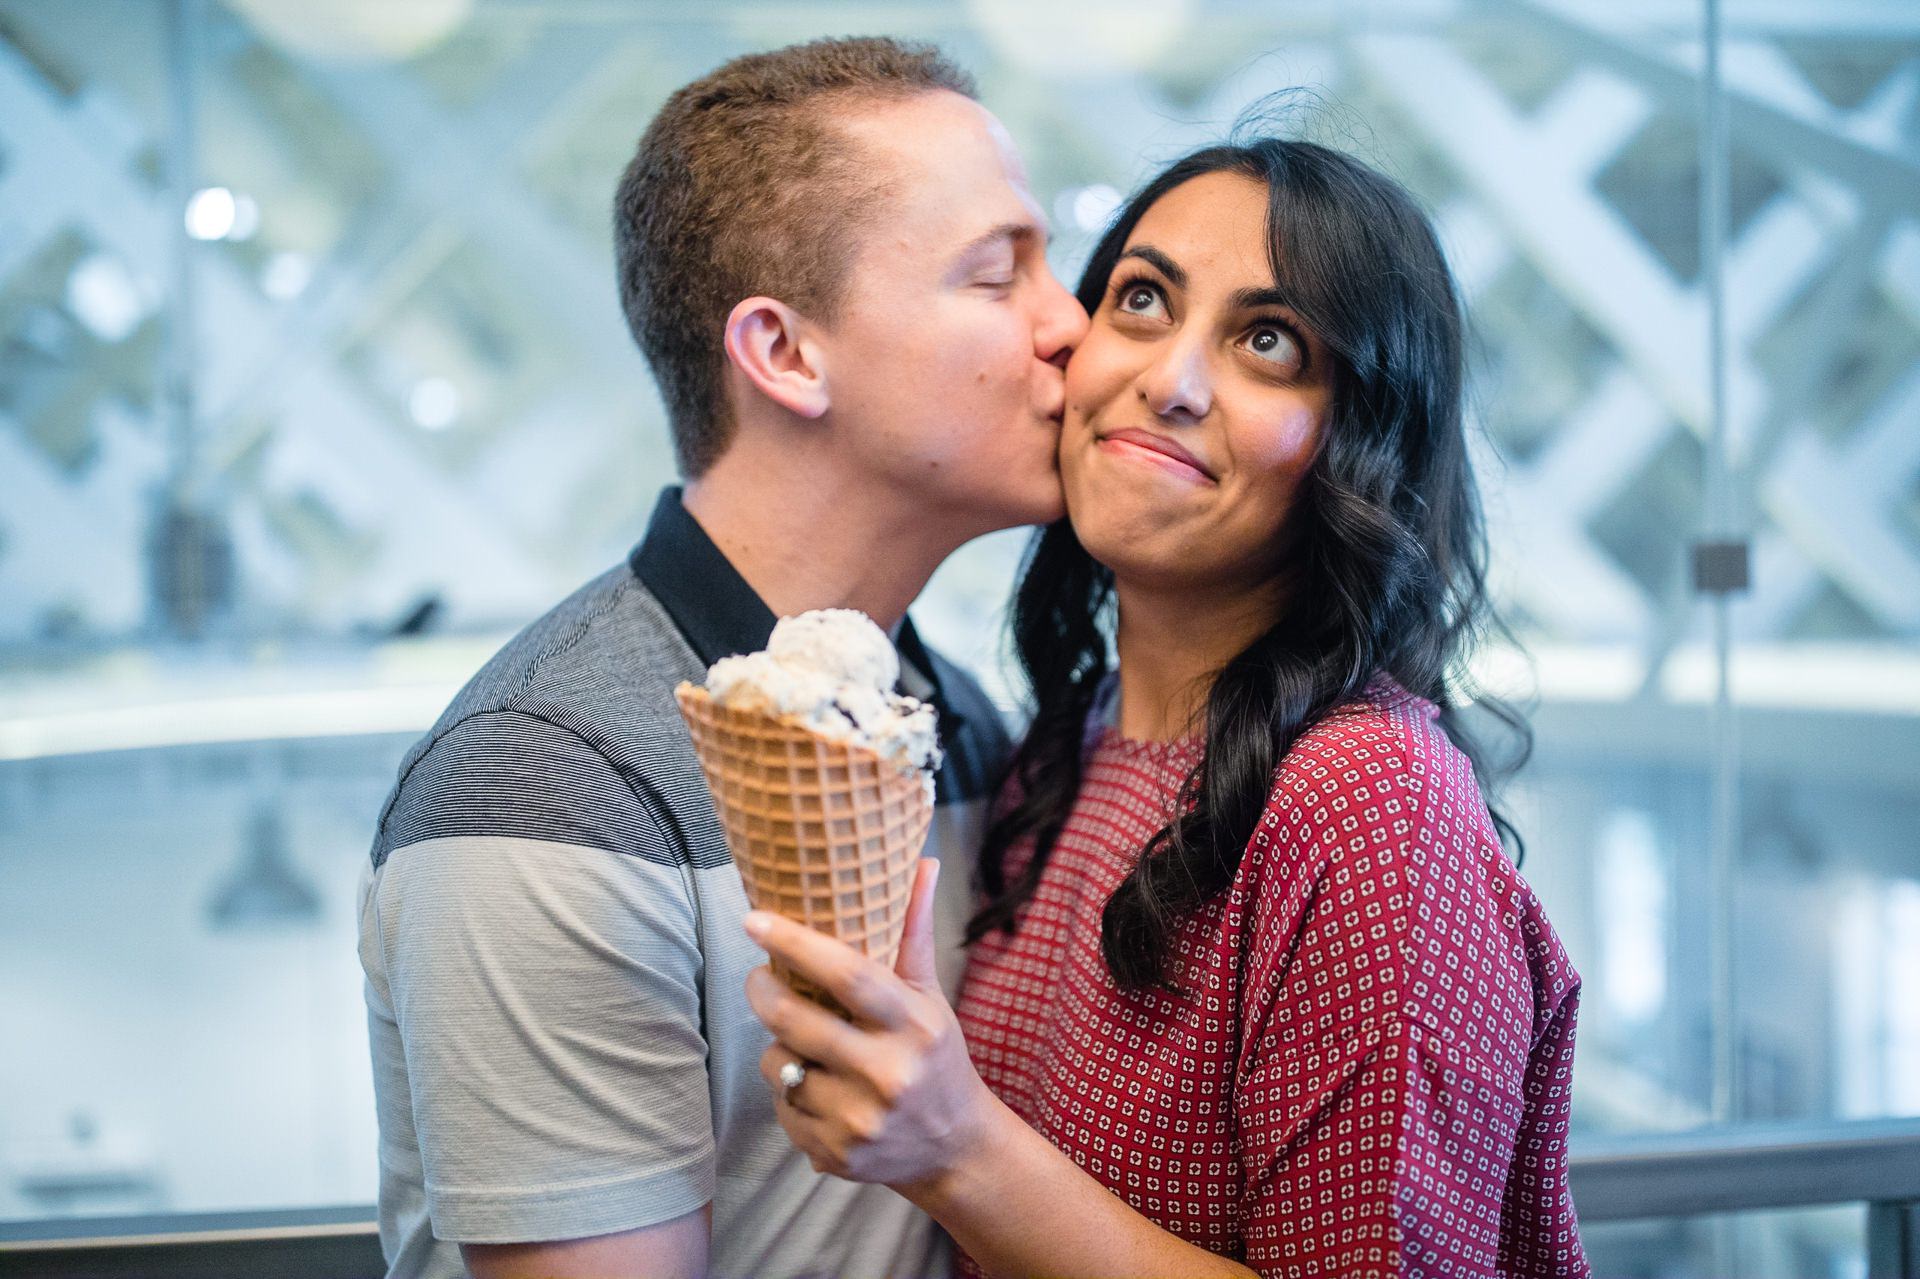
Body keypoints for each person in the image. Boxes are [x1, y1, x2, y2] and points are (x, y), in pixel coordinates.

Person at [744, 133, 1592, 1278]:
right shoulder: (1068, 743)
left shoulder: (1365, 802)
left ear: (1360, 447)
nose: (1173, 380)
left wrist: (958, 1148)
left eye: (1268, 342)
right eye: (1141, 301)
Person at [356, 36, 1086, 1279]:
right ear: (786, 354)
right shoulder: (545, 793)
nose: (1068, 323)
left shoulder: (953, 720)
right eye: (996, 273)